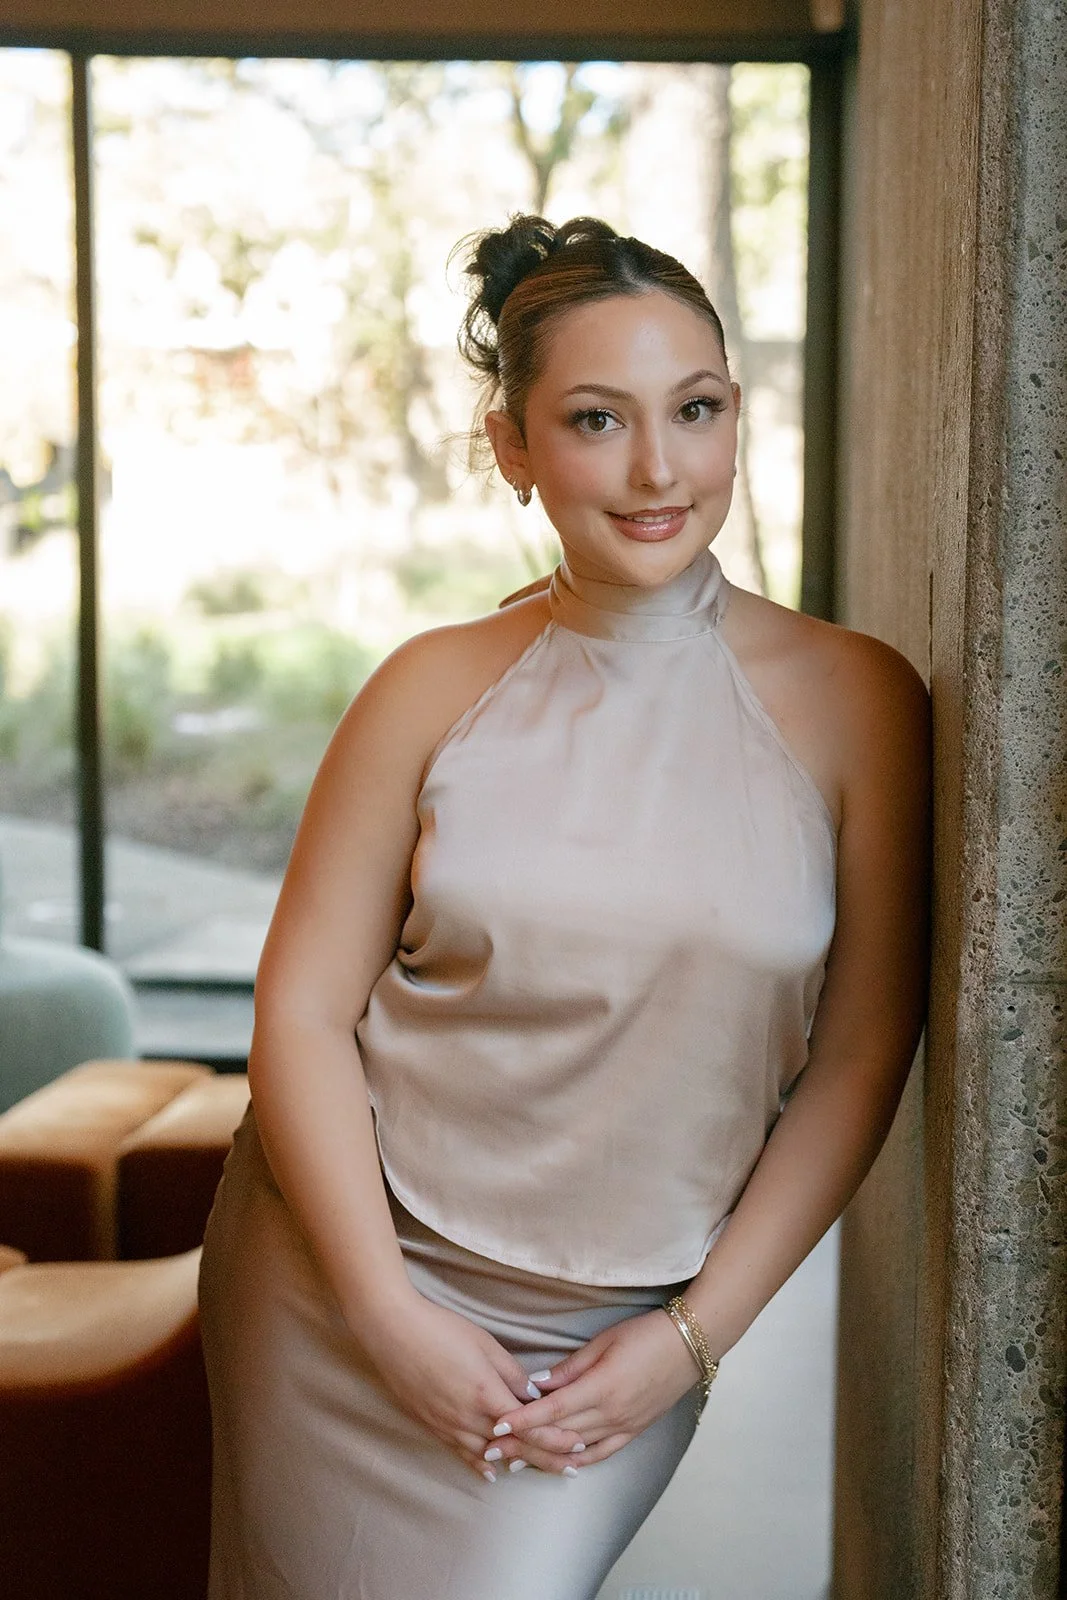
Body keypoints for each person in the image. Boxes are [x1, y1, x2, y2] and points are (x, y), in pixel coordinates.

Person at [197, 214, 931, 1600]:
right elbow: (297, 1011)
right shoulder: (427, 683)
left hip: (622, 1319)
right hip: (341, 1273)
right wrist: (382, 1312)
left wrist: (694, 1339)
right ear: (512, 448)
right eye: (596, 420)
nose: (659, 469)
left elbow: (858, 1056)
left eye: (695, 410)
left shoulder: (860, 701)